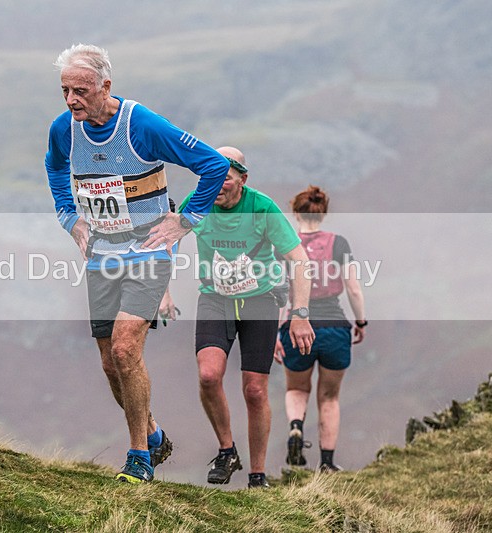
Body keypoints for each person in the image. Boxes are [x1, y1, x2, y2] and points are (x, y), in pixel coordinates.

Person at [44, 44, 229, 484]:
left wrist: (184, 221)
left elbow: (214, 165)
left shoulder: (141, 124)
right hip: (103, 252)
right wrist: (70, 219)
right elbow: (54, 167)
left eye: (81, 90)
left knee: (127, 349)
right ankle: (153, 434)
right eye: (65, 90)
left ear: (105, 86)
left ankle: (139, 458)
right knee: (111, 363)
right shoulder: (63, 128)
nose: (72, 100)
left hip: (148, 249)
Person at [170, 147, 315, 489]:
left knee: (254, 390)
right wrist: (162, 291)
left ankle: (257, 475)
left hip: (260, 302)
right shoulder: (198, 199)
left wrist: (300, 314)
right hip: (215, 299)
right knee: (208, 375)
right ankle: (226, 451)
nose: (217, 184)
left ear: (242, 180)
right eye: (211, 176)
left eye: (226, 178)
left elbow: (299, 259)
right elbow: (169, 239)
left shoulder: (262, 207)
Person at [275, 185, 367, 473]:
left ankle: (295, 427)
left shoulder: (286, 244)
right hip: (334, 328)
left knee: (296, 388)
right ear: (323, 213)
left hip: (295, 327)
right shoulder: (338, 243)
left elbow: (279, 293)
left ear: (295, 212)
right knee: (329, 397)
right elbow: (353, 288)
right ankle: (327, 462)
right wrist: (361, 321)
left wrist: (276, 332)